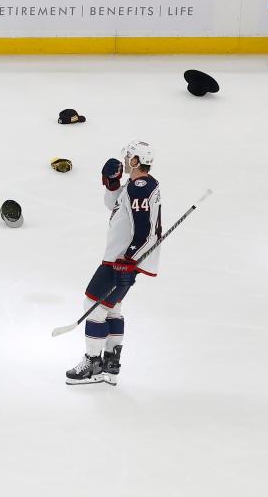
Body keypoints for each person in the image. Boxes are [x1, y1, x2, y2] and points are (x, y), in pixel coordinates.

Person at [65, 140, 161, 386]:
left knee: (93, 303)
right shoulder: (134, 185)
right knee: (112, 307)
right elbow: (113, 205)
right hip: (120, 258)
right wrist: (113, 183)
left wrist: (128, 260)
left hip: (120, 260)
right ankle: (111, 365)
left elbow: (146, 232)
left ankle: (92, 364)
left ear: (137, 161)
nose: (126, 160)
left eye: (130, 157)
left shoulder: (141, 187)